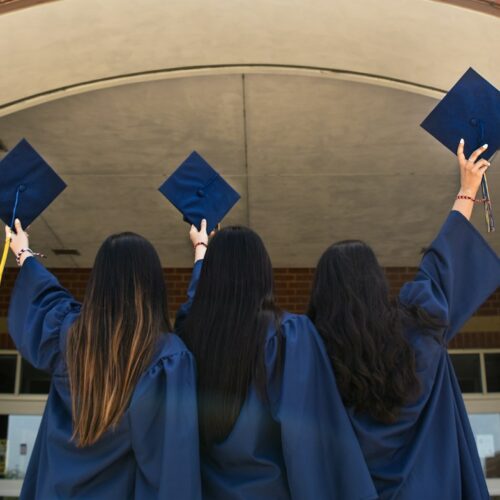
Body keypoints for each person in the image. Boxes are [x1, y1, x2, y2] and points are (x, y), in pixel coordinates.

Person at [307, 140, 499, 500]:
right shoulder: (418, 330)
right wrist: (468, 188)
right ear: (378, 283)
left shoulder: (313, 359)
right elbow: (442, 264)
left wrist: (206, 254)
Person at [6, 220, 205, 499]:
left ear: (98, 281)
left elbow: (44, 297)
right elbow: (172, 468)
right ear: (153, 285)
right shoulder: (165, 357)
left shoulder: (68, 337)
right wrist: (201, 251)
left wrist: (23, 252)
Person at [177, 224, 377, 500]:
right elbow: (309, 446)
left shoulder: (188, 340)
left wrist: (202, 254)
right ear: (263, 274)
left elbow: (192, 307)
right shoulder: (287, 337)